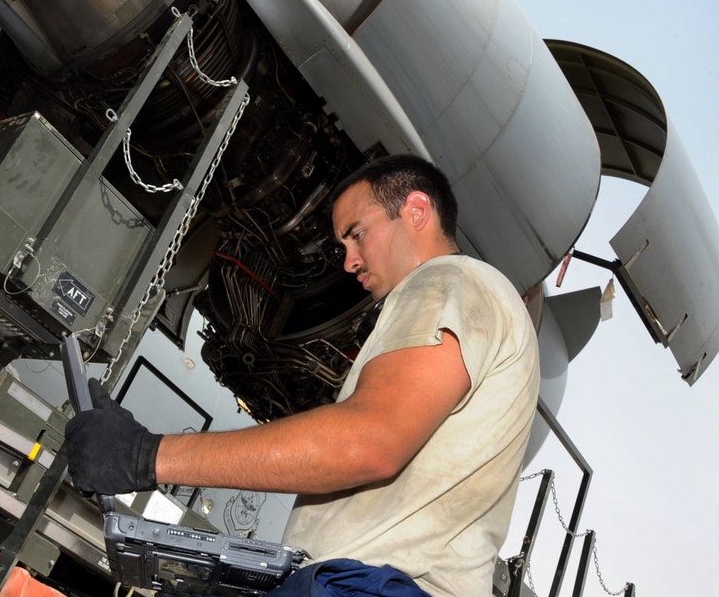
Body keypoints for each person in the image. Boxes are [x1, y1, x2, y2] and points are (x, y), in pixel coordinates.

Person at [65, 154, 540, 597]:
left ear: (416, 211)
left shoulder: (446, 282)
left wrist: (146, 455)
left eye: (357, 234)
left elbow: (367, 443)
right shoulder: (474, 296)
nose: (349, 260)